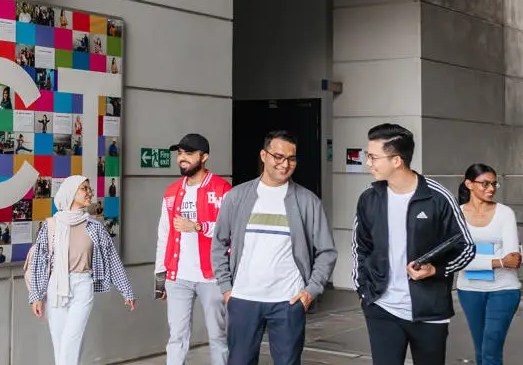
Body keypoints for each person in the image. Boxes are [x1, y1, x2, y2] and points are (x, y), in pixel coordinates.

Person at [352, 123, 474, 365]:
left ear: (396, 160)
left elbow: (466, 247)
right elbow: (360, 247)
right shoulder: (369, 198)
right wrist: (363, 292)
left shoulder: (438, 197)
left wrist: (435, 270)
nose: (368, 163)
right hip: (382, 308)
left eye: (373, 157)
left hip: (429, 311)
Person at [211, 130, 336, 365]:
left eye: (291, 158)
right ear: (263, 155)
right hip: (243, 298)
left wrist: (311, 290)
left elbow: (326, 251)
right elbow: (218, 243)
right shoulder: (237, 196)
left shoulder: (307, 201)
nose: (285, 164)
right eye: (278, 157)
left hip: (288, 301)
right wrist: (226, 288)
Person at [27, 175, 135, 365]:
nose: (89, 192)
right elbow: (39, 262)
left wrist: (126, 290)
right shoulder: (51, 225)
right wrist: (36, 295)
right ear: (71, 193)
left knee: (71, 339)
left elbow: (112, 258)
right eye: (84, 188)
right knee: (59, 342)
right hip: (56, 287)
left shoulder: (94, 227)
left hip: (83, 285)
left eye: (89, 188)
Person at [153, 133, 234, 365]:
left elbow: (231, 230)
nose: (182, 159)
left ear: (204, 156)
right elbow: (164, 235)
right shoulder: (171, 192)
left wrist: (198, 226)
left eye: (188, 153)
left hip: (213, 277)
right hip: (177, 277)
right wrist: (161, 277)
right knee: (177, 337)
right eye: (179, 154)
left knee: (218, 336)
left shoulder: (222, 189)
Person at [451, 164, 522, 365]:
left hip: (504, 289)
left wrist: (470, 257)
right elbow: (456, 261)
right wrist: (498, 260)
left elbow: (513, 259)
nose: (491, 188)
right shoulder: (456, 214)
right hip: (469, 290)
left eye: (494, 184)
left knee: (491, 348)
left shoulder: (505, 213)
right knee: (480, 349)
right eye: (485, 183)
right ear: (469, 184)